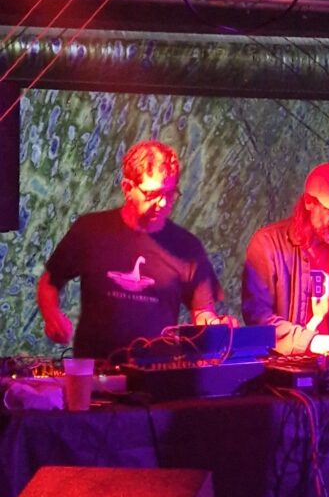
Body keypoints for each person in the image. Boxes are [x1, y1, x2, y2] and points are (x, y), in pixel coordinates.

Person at [37, 139, 231, 361]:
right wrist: (52, 316)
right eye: (152, 194)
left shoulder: (188, 247)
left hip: (157, 372)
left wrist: (216, 327)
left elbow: (203, 312)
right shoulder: (90, 230)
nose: (162, 203)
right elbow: (50, 282)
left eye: (170, 194)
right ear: (128, 188)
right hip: (96, 368)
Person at [242, 161, 329, 356]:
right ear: (309, 202)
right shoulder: (267, 244)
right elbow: (257, 316)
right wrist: (310, 342)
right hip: (279, 366)